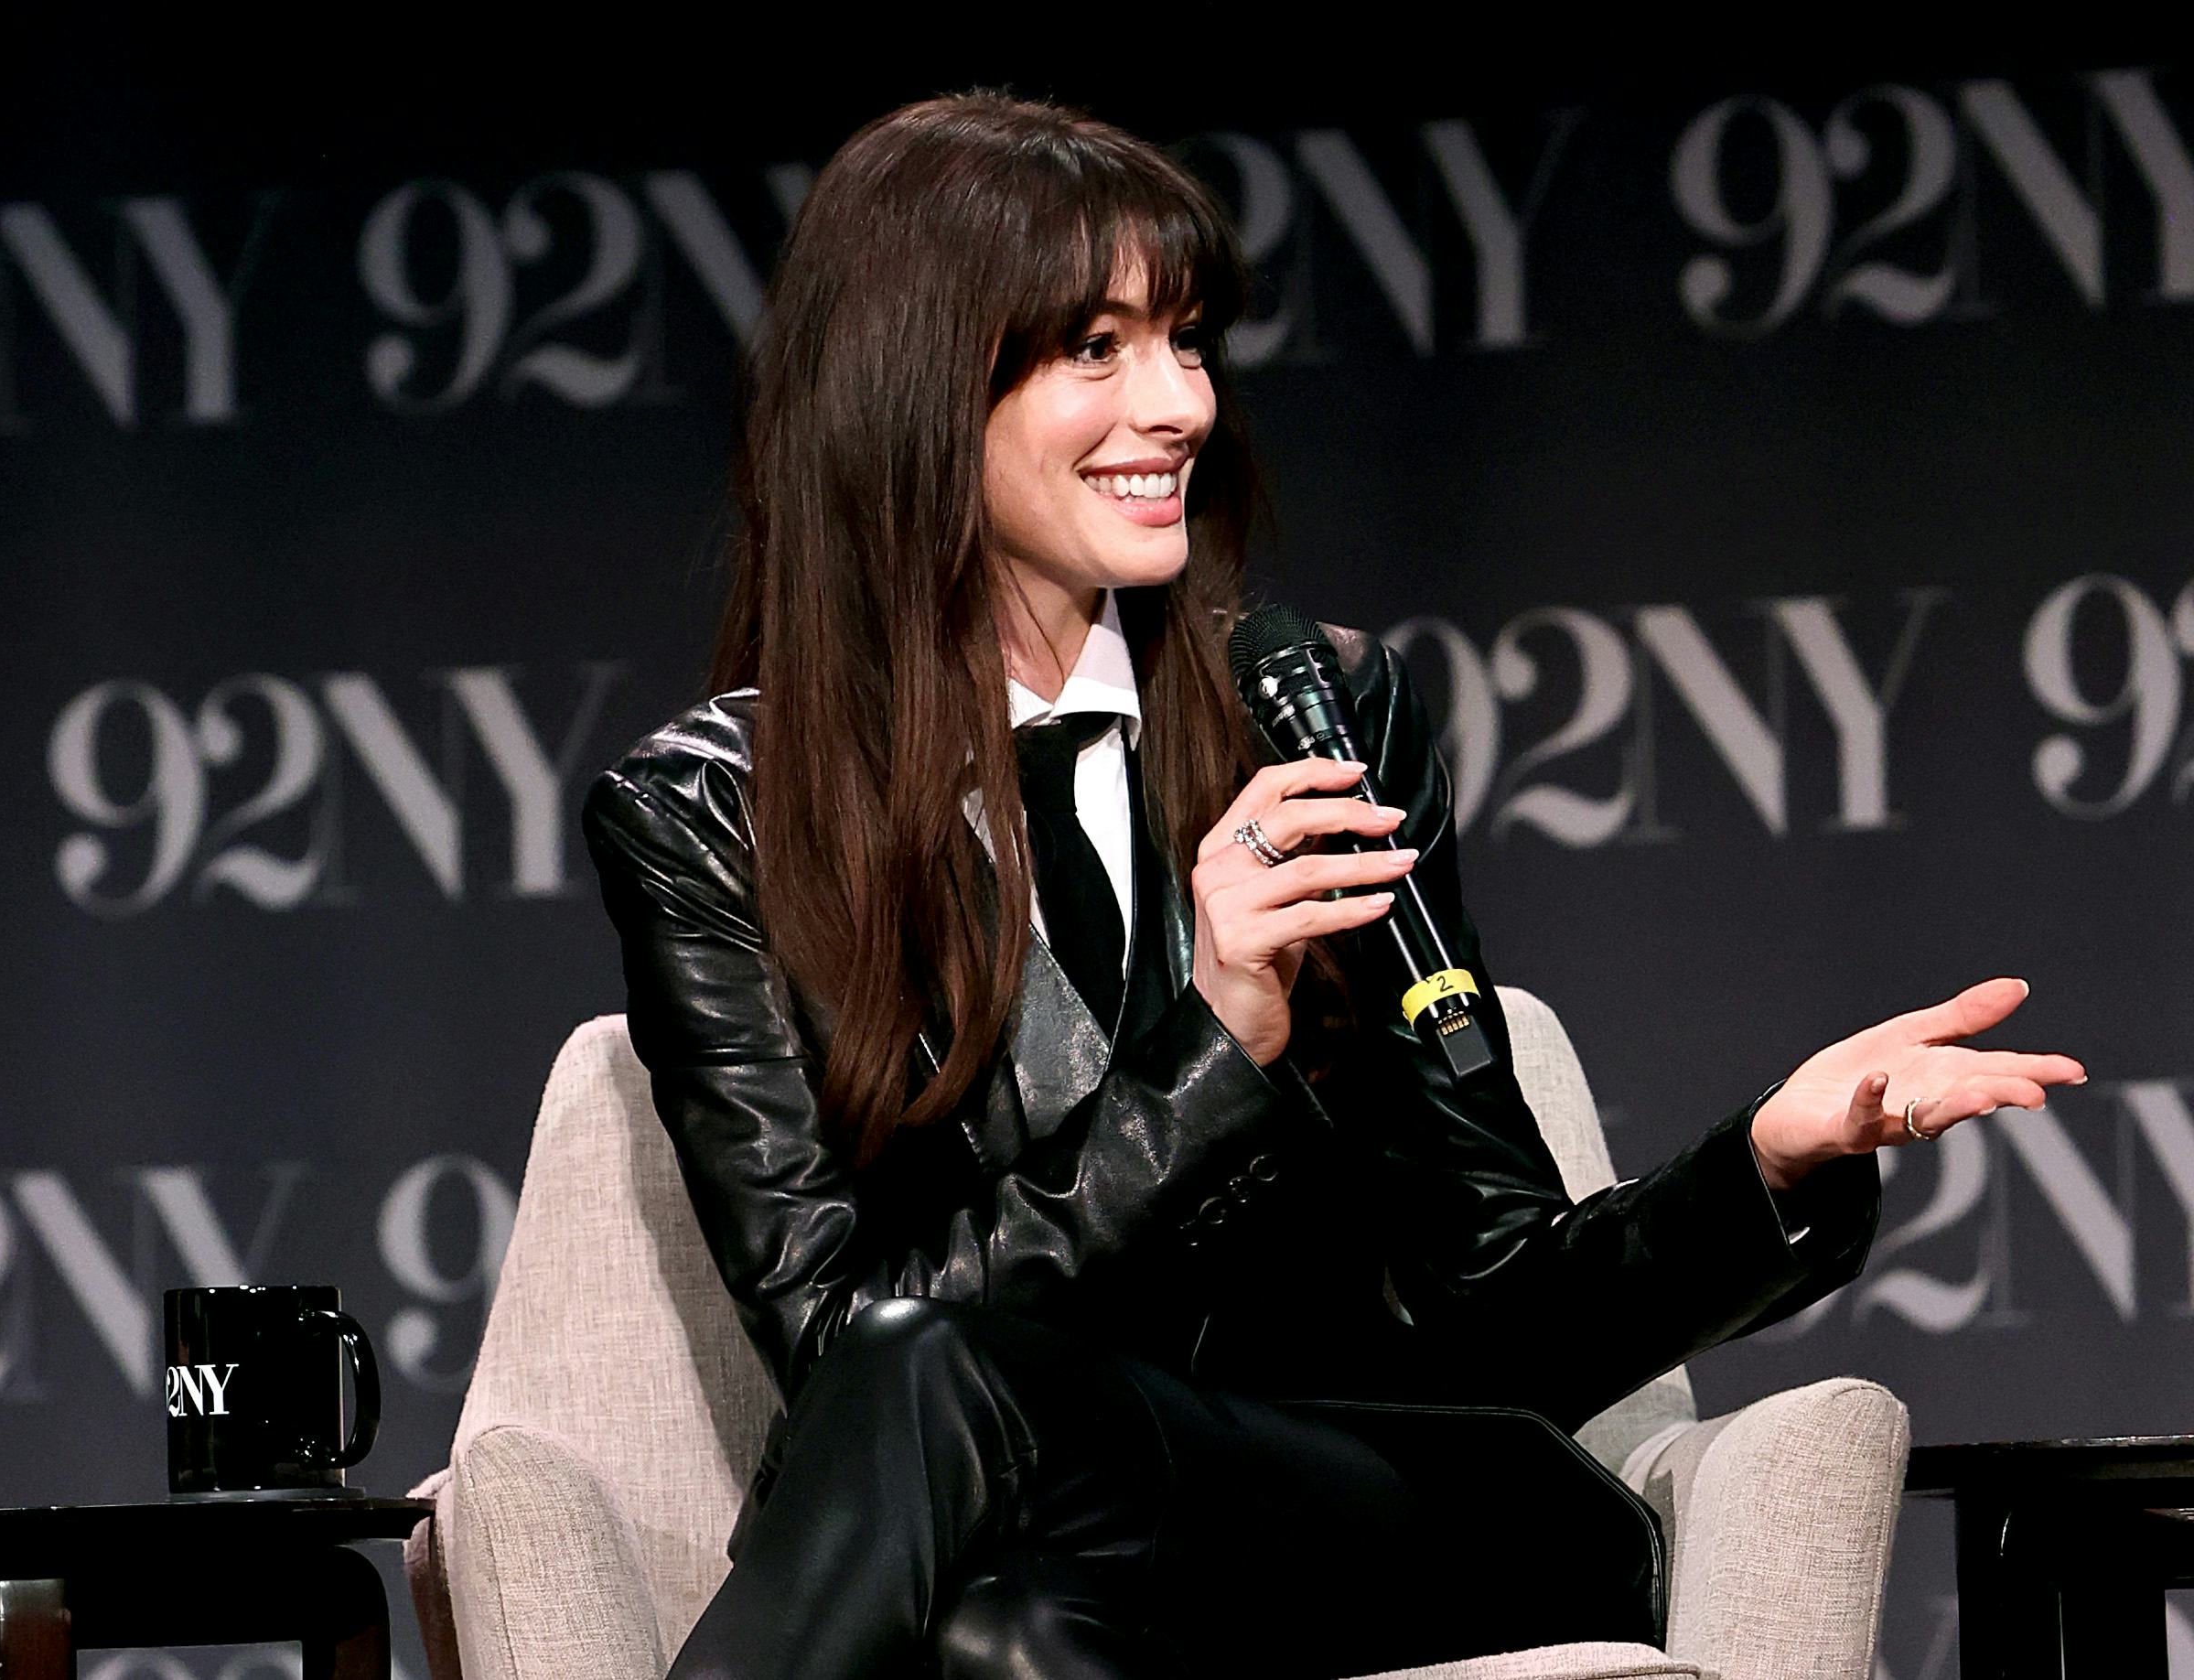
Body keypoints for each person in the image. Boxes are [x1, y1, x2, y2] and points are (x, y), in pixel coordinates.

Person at [583, 92, 2084, 1680]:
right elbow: (837, 1362)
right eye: (1096, 347)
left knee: (946, 1414)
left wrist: (1768, 1168)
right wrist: (1211, 1046)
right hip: (1053, 1540)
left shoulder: (1312, 714)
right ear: (914, 385)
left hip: (1413, 1507)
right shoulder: (714, 816)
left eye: (1187, 340)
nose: (1176, 405)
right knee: (1003, 1634)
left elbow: (1504, 1288)